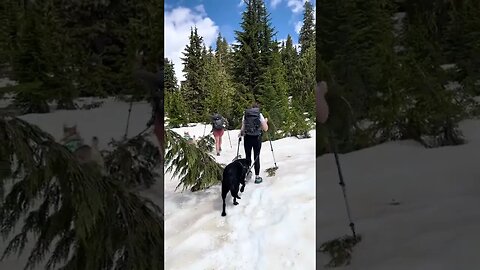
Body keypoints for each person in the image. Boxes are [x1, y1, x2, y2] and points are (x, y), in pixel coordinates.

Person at [239, 102, 268, 184]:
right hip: (257, 138)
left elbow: (243, 128)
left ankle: (247, 174)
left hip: (247, 137)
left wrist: (241, 134)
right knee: (256, 156)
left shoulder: (245, 114)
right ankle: (257, 177)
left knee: (248, 156)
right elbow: (265, 129)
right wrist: (265, 121)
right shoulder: (259, 115)